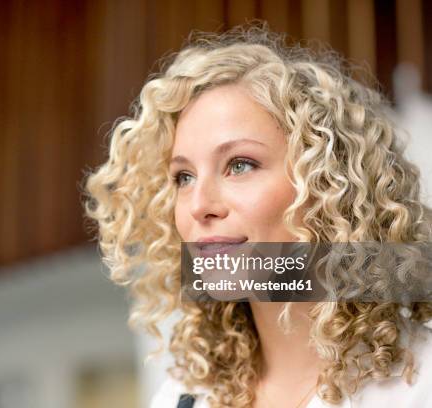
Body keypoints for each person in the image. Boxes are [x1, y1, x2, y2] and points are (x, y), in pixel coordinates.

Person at [83, 23, 432, 408]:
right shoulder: (183, 398)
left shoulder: (420, 382)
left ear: (327, 183)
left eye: (240, 165)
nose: (199, 205)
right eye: (183, 176)